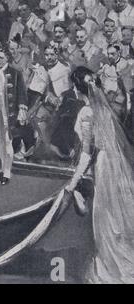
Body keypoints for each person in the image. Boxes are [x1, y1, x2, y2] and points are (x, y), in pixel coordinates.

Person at [66, 66, 134, 283]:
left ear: (77, 90)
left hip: (105, 167)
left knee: (105, 219)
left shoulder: (86, 112)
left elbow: (86, 154)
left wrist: (72, 183)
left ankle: (111, 271)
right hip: (116, 165)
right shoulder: (105, 110)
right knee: (116, 218)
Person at [0, 48, 33, 184]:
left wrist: (21, 110)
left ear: (7, 59)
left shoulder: (15, 73)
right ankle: (1, 168)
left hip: (8, 112)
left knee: (7, 141)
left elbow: (22, 93)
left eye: (1, 58)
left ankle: (7, 172)